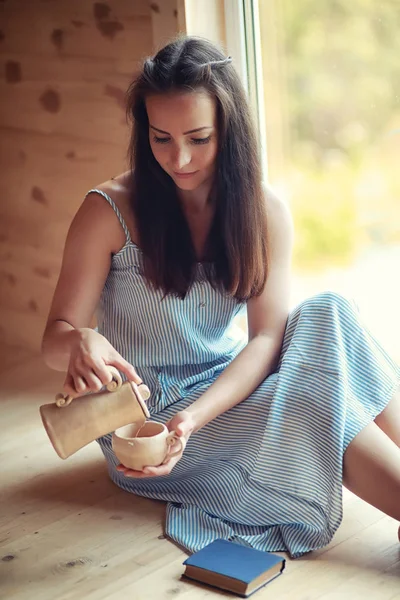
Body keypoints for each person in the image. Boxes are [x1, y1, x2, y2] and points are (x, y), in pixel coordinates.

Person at [41, 35, 400, 558]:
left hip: (220, 394)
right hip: (149, 423)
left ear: (229, 130)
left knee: (330, 312)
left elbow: (265, 341)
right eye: (161, 138)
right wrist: (80, 340)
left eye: (198, 138)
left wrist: (196, 418)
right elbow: (53, 338)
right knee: (313, 405)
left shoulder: (264, 211)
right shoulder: (108, 210)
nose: (179, 158)